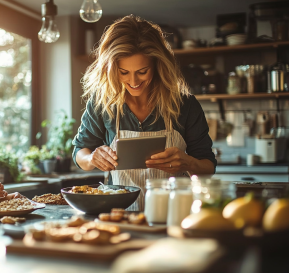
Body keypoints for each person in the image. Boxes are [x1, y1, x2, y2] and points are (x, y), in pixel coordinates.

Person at [72, 15, 217, 211]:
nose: (134, 81)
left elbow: (208, 166)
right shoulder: (102, 103)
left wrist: (188, 163)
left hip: (174, 214)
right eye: (124, 72)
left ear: (158, 65)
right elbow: (80, 152)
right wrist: (92, 159)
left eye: (142, 71)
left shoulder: (185, 104)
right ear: (112, 68)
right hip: (118, 215)